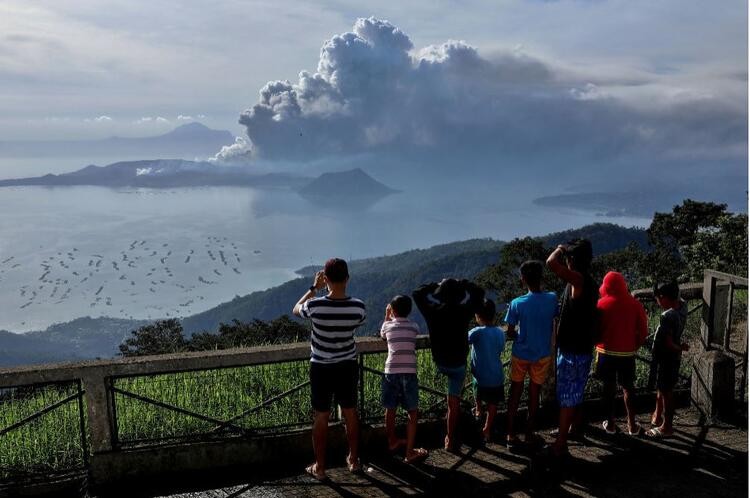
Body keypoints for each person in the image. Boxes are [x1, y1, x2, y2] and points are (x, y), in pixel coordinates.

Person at [293, 258, 366, 480]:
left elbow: (296, 309)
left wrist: (313, 288)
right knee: (351, 413)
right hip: (347, 365)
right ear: (347, 278)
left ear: (326, 279)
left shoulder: (315, 306)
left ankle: (321, 467)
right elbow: (357, 323)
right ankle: (353, 460)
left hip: (321, 367)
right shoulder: (358, 307)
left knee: (321, 417)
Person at [413, 278, 485, 451]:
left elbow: (417, 293)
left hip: (440, 362)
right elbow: (479, 292)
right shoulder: (465, 310)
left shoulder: (433, 310)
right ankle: (450, 439)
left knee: (450, 399)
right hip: (458, 363)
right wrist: (463, 283)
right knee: (453, 403)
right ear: (459, 294)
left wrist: (436, 284)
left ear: (440, 294)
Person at [546, 239, 598, 457]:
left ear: (572, 260)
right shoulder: (589, 282)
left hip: (572, 350)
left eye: (568, 258)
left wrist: (559, 249)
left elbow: (550, 263)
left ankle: (560, 444)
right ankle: (573, 429)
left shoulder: (578, 280)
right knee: (575, 392)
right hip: (581, 347)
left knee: (568, 395)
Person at [504, 260, 558, 448]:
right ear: (541, 277)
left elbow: (510, 332)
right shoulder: (552, 299)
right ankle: (529, 433)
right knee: (534, 393)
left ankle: (510, 435)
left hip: (520, 353)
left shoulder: (517, 303)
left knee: (515, 393)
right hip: (542, 354)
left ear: (523, 279)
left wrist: (520, 335)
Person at [595, 271, 648, 435]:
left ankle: (610, 424)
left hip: (605, 352)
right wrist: (634, 346)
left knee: (608, 389)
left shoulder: (600, 304)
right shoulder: (635, 304)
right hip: (627, 354)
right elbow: (644, 331)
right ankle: (632, 424)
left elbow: (595, 330)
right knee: (628, 388)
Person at [379, 295, 429, 463]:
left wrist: (387, 316)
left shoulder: (387, 325)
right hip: (409, 372)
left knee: (390, 409)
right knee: (412, 412)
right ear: (409, 311)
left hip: (391, 371)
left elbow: (382, 335)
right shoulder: (414, 326)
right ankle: (409, 452)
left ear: (392, 311)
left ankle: (392, 441)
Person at [647, 281, 688, 438]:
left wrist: (680, 347)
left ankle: (667, 427)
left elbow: (668, 343)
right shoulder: (682, 307)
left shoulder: (667, 316)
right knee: (664, 388)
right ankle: (658, 417)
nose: (656, 301)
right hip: (674, 358)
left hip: (666, 358)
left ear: (663, 297)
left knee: (667, 392)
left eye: (657, 298)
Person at [468, 298, 506, 443]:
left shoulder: (476, 332)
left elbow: (464, 340)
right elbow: (501, 349)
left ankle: (478, 409)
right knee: (493, 404)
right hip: (497, 376)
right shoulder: (500, 333)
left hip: (480, 377)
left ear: (477, 316)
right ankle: (487, 429)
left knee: (477, 389)